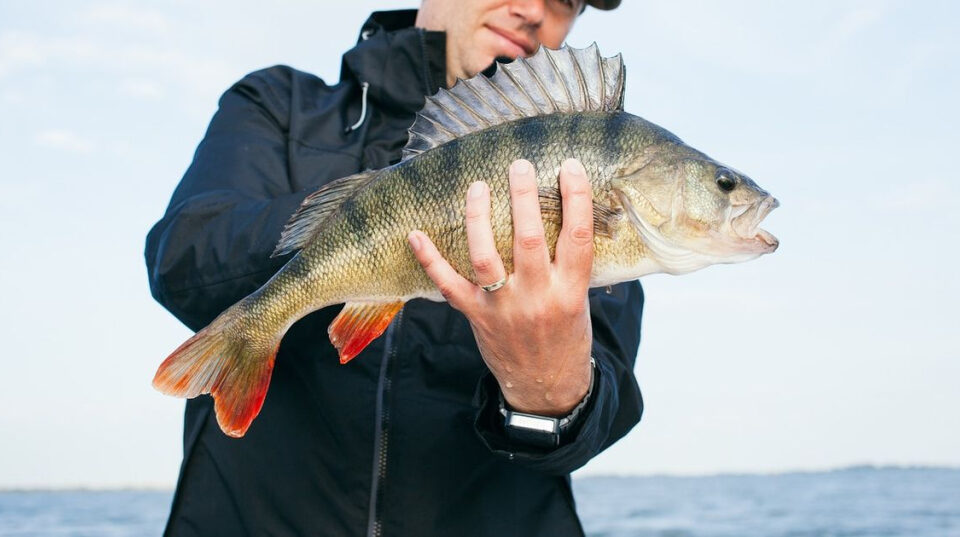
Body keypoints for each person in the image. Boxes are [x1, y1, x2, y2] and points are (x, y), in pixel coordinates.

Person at [145, 1, 644, 535]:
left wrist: (552, 394)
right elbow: (182, 258)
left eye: (565, 0)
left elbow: (600, 408)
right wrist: (375, 221)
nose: (529, 9)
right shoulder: (276, 103)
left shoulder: (582, 182)